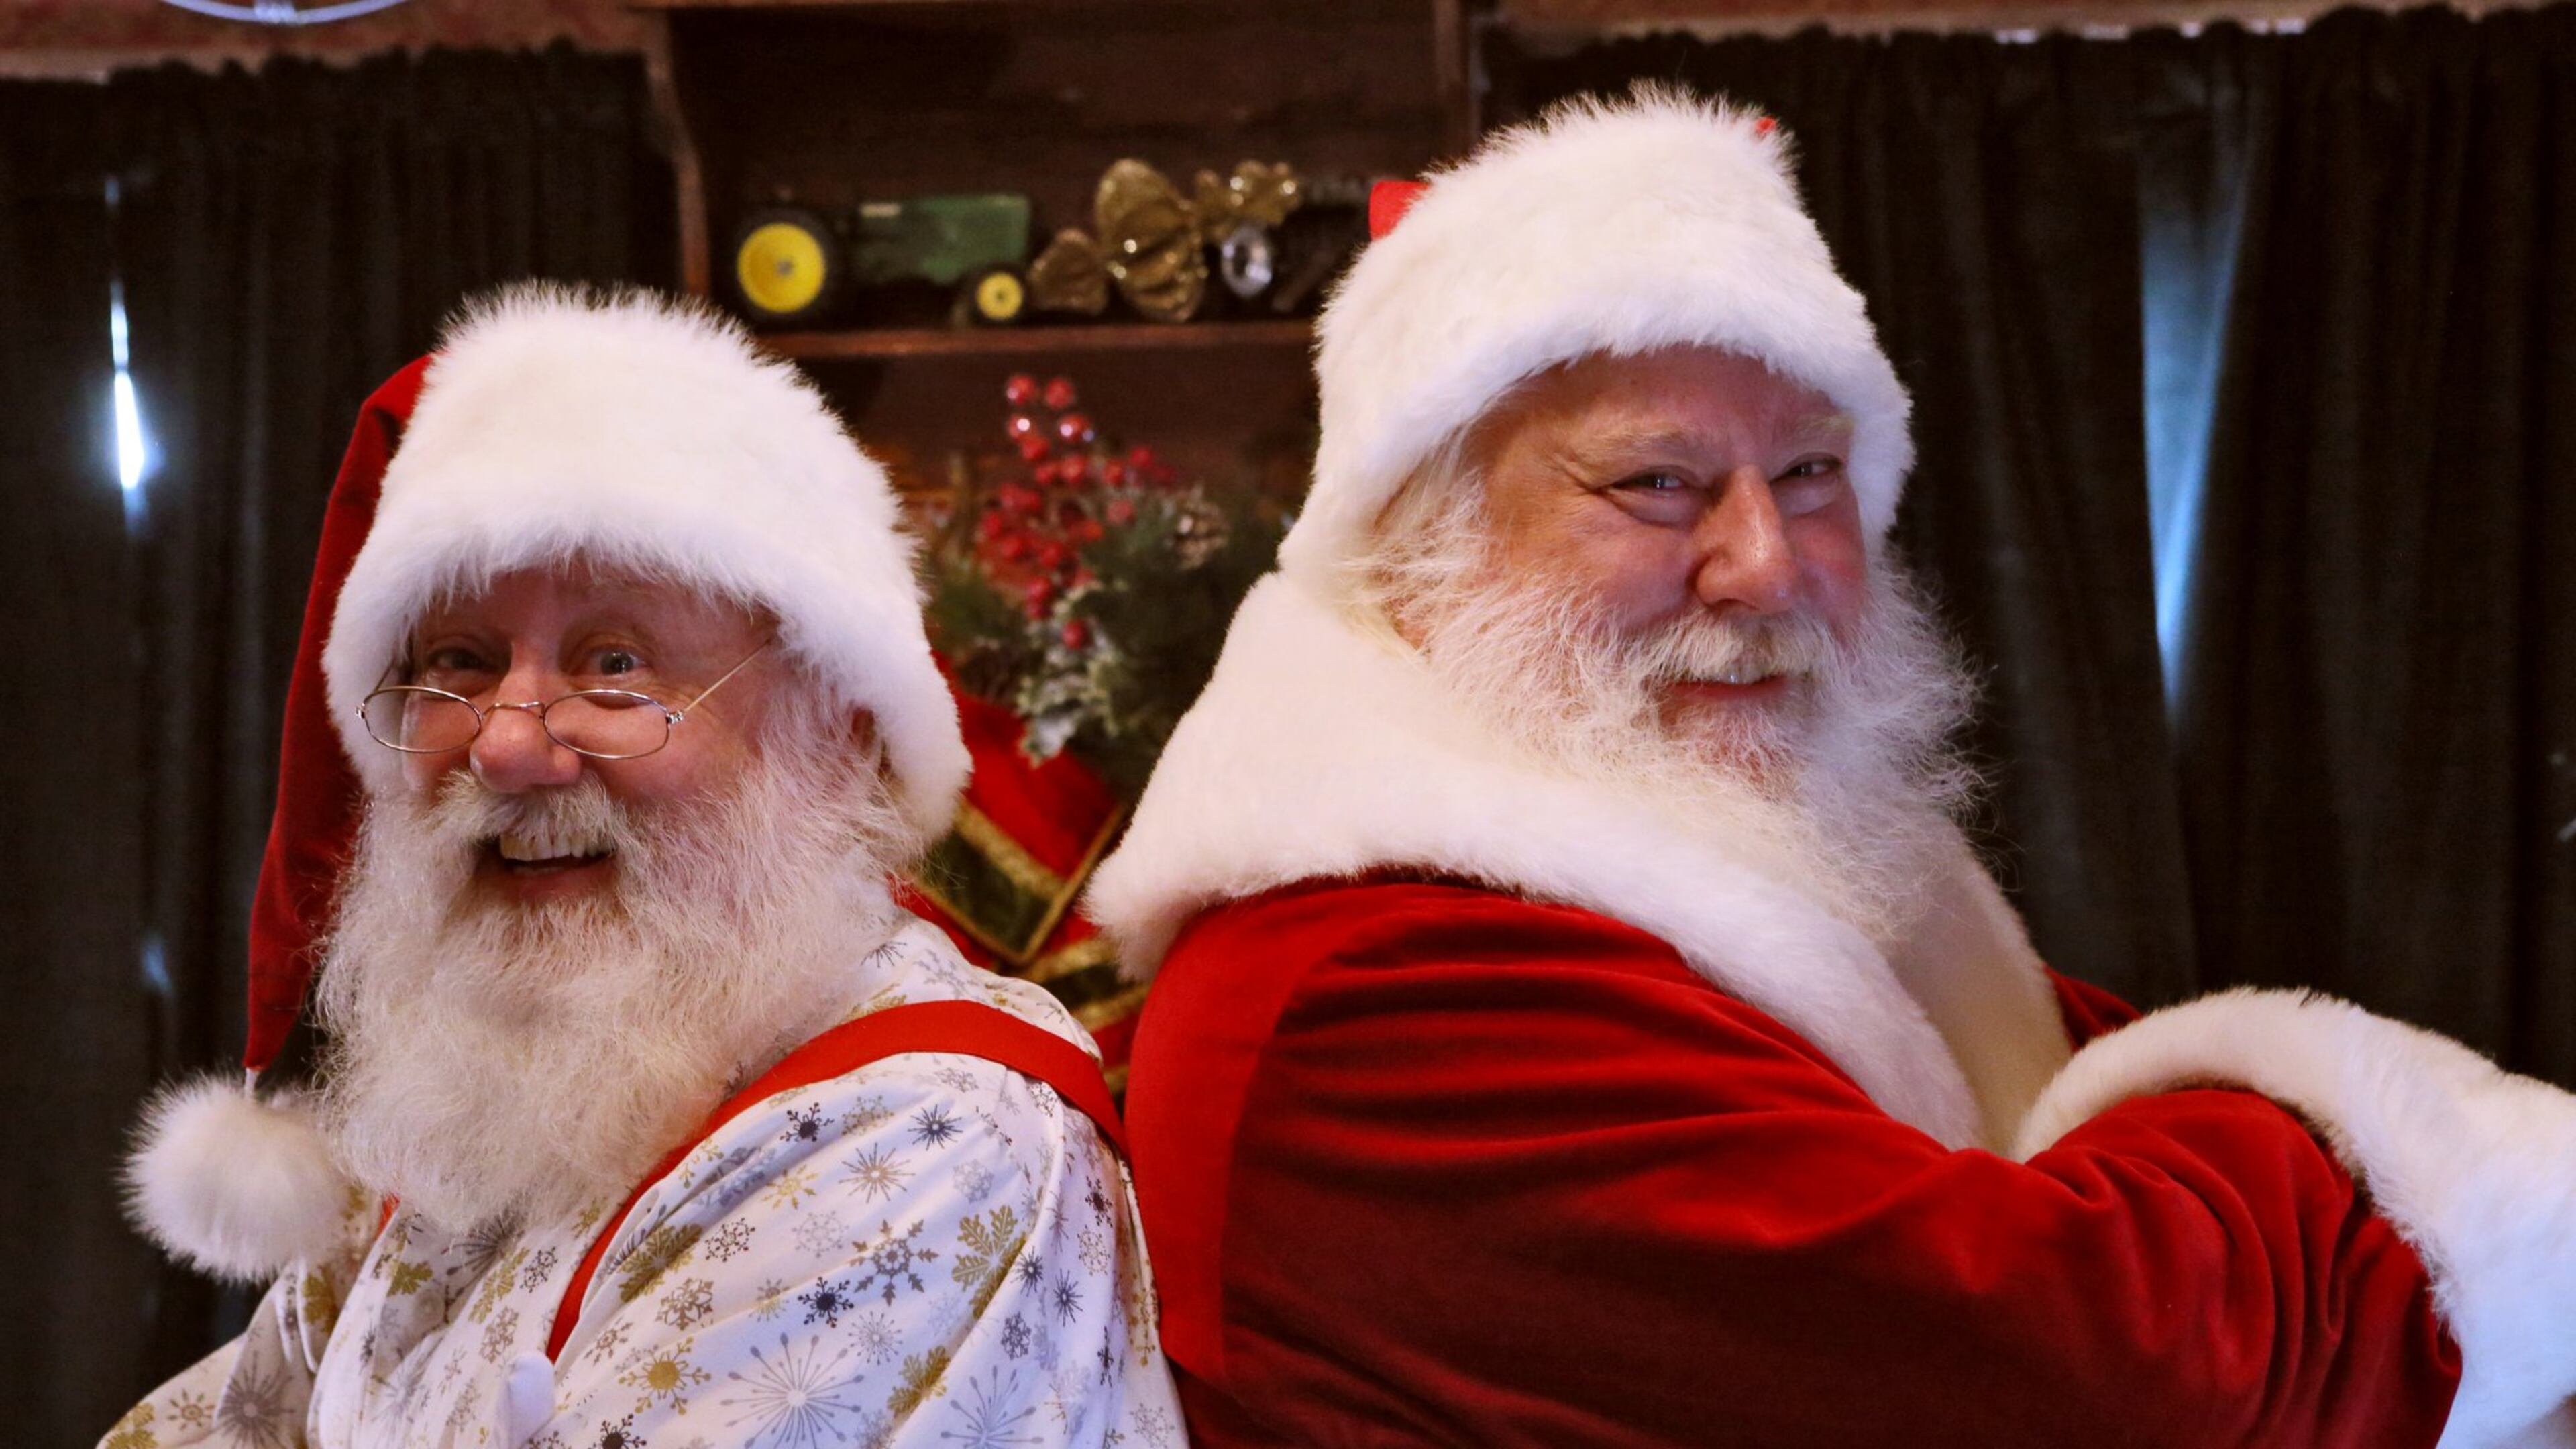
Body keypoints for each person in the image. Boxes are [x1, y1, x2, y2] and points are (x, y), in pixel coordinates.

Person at [1087, 90, 2576, 1447]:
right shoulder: (1375, 981)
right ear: (1418, 546)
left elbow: (2113, 1128)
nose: (1766, 565)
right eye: (1654, 483)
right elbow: (2106, 1374)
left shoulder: (1748, 863)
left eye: (1809, 476)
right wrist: (2437, 1162)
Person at [105, 287, 1182, 1449]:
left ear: (841, 736)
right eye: (458, 665)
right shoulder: (486, 1101)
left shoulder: (931, 1145)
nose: (509, 745)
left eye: (614, 664)